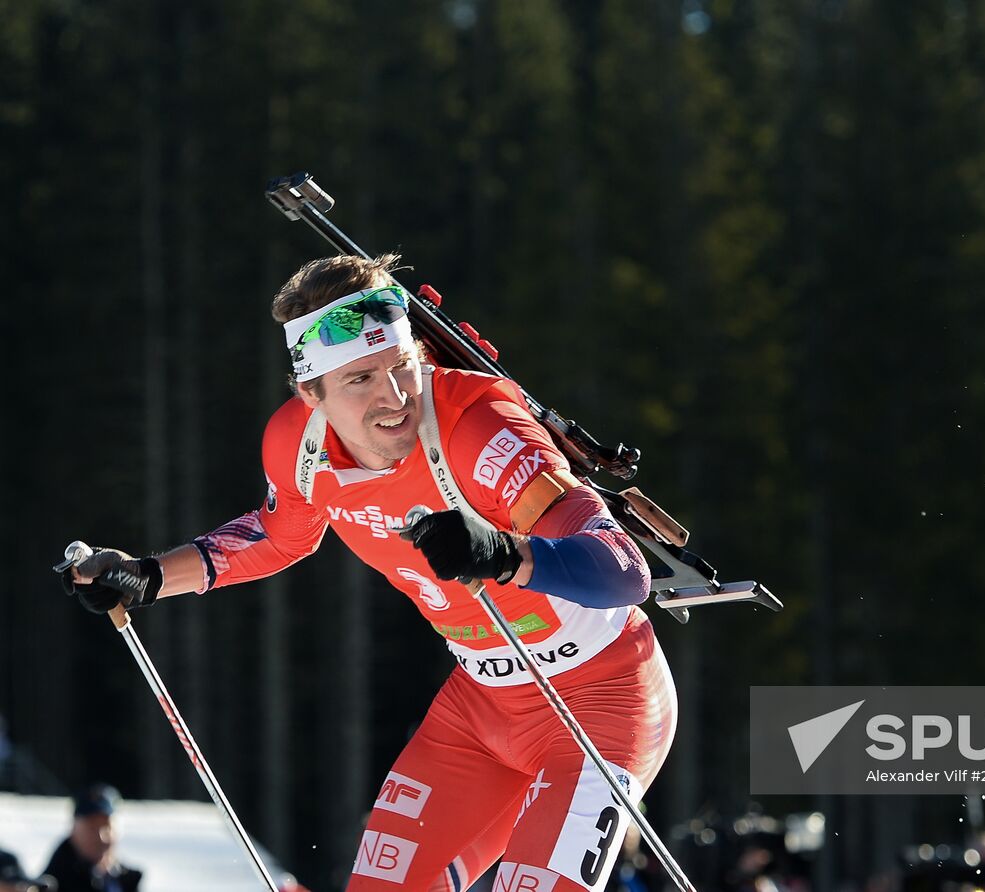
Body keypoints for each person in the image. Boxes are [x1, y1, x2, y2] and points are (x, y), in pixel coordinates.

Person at [63, 254, 677, 892]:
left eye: (403, 365)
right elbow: (278, 536)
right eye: (360, 379)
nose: (394, 397)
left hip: (601, 701)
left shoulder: (479, 431)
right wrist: (149, 576)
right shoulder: (297, 445)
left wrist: (501, 551)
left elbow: (624, 571)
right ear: (311, 395)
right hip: (483, 709)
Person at [41, 785, 141, 891]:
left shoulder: (126, 880)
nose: (101, 837)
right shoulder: (52, 884)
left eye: (107, 827)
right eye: (92, 828)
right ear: (74, 829)